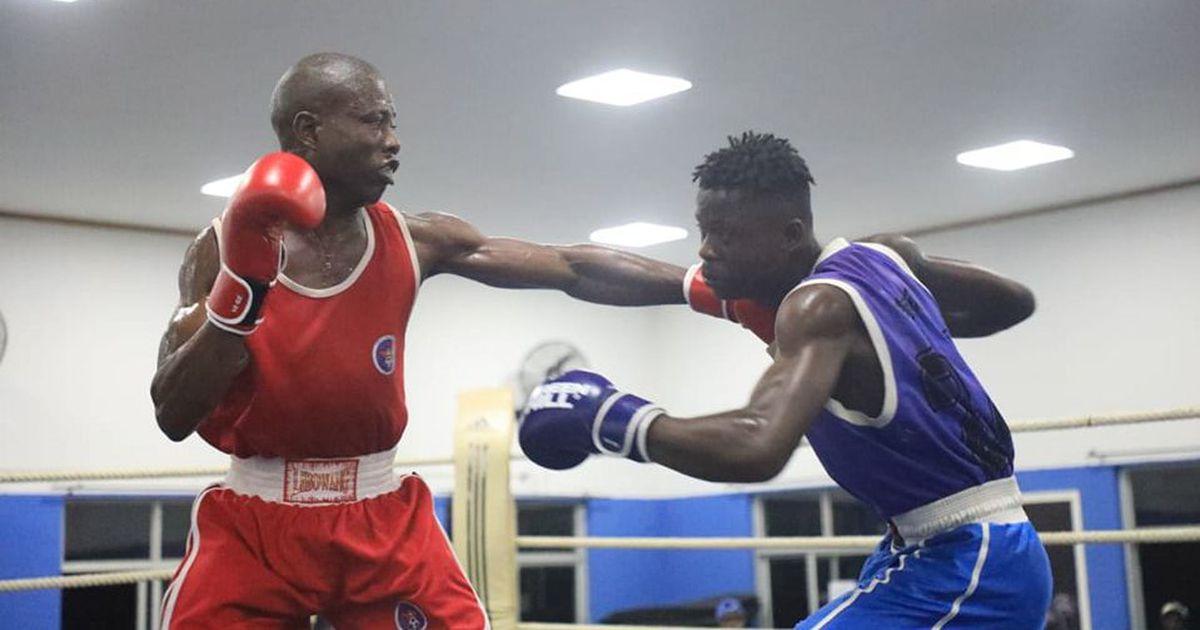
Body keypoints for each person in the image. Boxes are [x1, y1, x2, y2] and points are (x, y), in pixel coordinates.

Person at [149, 52, 694, 629]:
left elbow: (569, 266)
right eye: (374, 121)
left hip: (381, 519)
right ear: (308, 130)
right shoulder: (219, 248)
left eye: (392, 122)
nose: (394, 141)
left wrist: (702, 287)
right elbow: (173, 413)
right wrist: (240, 297)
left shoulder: (416, 239)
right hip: (256, 524)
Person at [520, 131, 1052, 628]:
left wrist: (616, 420)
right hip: (948, 549)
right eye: (705, 231)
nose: (706, 248)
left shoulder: (815, 305)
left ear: (790, 235)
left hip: (966, 562)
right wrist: (917, 330)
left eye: (726, 235)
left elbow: (759, 445)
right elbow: (1013, 302)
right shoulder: (884, 258)